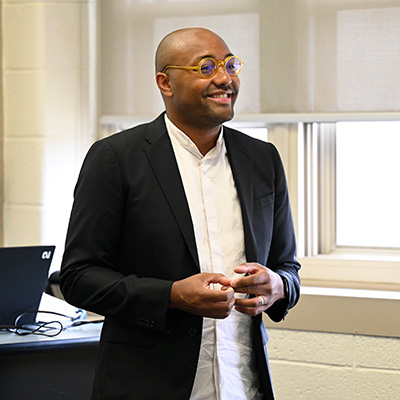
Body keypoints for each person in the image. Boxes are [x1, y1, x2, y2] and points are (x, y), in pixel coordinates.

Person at [60, 27, 301, 400]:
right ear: (165, 83)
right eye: (206, 68)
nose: (225, 78)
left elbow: (288, 267)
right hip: (146, 385)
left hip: (243, 384)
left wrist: (278, 286)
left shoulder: (262, 159)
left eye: (230, 64)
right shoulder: (115, 159)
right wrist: (171, 295)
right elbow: (78, 277)